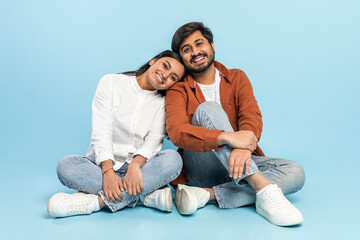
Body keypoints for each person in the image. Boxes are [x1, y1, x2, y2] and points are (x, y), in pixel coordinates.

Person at [166, 22, 305, 226]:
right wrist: (228, 138)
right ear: (182, 57)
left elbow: (251, 117)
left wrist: (245, 148)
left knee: (296, 172)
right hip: (201, 166)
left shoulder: (237, 77)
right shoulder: (178, 89)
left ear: (212, 45)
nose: (195, 52)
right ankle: (263, 190)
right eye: (186, 50)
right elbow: (176, 131)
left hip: (238, 166)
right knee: (209, 109)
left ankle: (207, 195)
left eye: (199, 44)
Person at [47, 50, 186, 217]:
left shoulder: (164, 103)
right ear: (153, 61)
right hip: (99, 166)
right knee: (65, 166)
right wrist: (107, 172)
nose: (165, 76)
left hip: (139, 169)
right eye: (165, 66)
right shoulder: (111, 82)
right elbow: (101, 130)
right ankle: (146, 196)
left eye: (173, 77)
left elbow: (154, 140)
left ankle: (95, 203)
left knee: (174, 160)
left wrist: (135, 165)